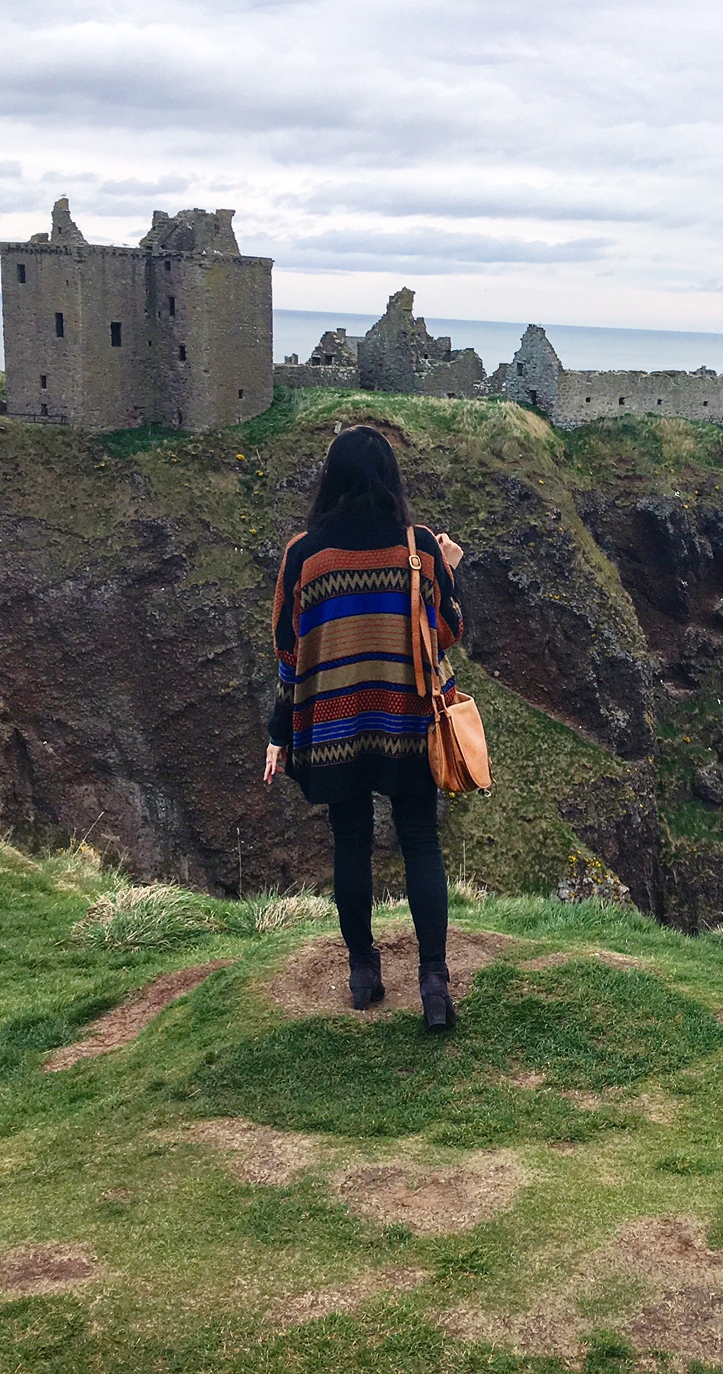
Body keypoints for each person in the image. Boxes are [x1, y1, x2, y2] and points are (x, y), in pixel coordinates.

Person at [263, 424, 465, 1030]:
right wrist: (449, 569)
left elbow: (287, 654)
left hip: (332, 724)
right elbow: (448, 631)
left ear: (333, 479)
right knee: (420, 841)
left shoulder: (304, 556)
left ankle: (362, 972)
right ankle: (433, 982)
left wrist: (280, 731)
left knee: (349, 844)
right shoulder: (420, 547)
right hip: (405, 718)